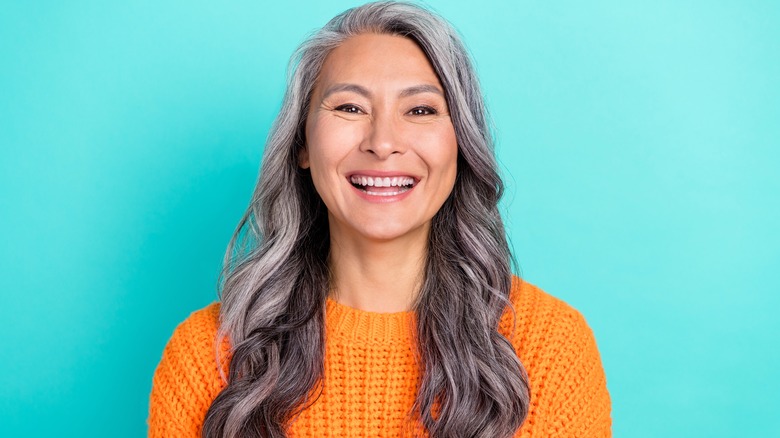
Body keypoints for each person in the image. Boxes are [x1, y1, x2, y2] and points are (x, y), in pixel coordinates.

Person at [148, 1, 611, 437]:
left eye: (421, 110)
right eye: (350, 107)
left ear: (461, 145)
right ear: (302, 145)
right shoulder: (207, 358)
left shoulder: (551, 351)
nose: (383, 141)